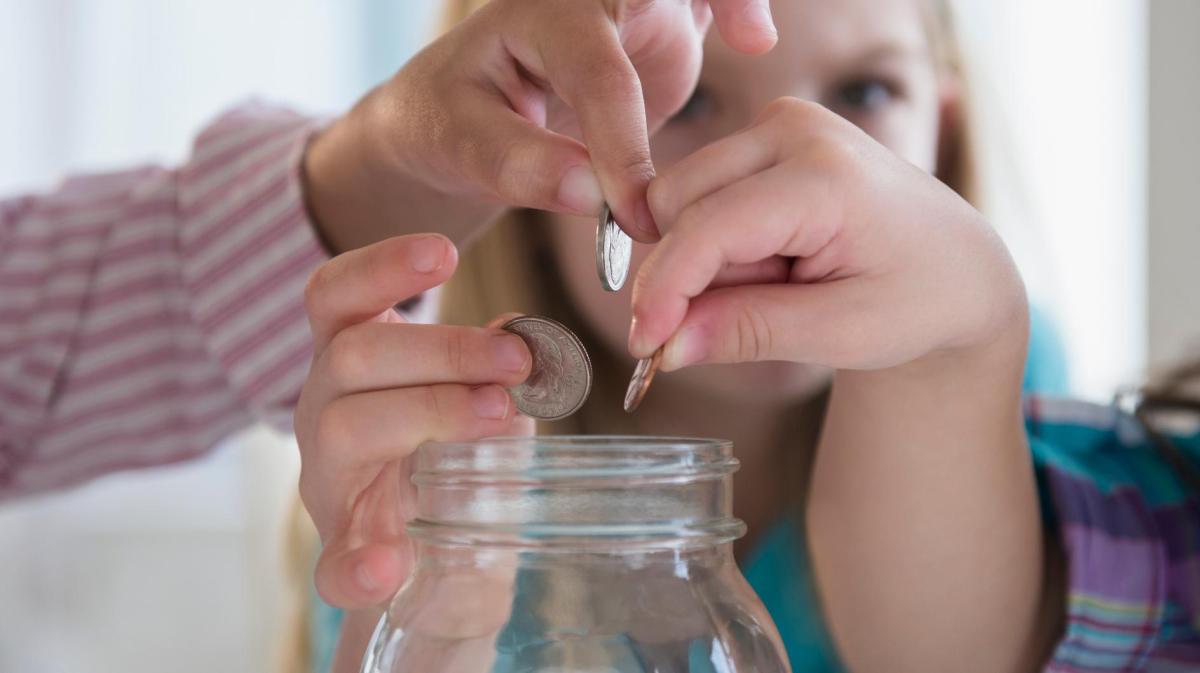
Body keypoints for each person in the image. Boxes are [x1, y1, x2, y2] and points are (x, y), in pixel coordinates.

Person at [289, 2, 1200, 673]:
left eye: (865, 90)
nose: (799, 155)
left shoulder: (1000, 382)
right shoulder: (437, 468)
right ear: (521, 174)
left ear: (942, 140)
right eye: (683, 102)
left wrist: (960, 343)